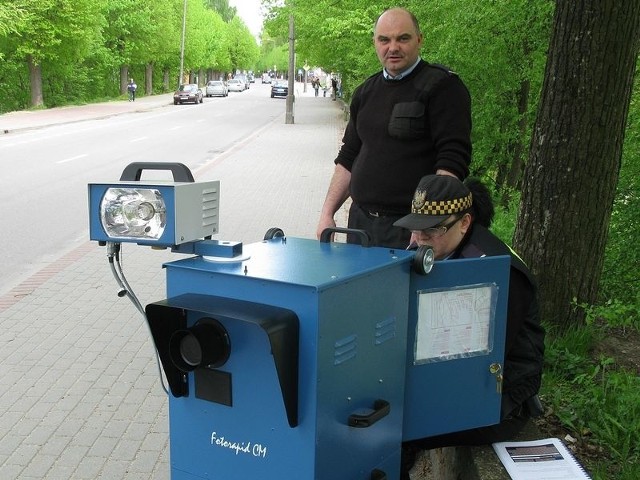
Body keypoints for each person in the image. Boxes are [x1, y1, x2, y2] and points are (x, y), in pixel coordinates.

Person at [393, 174, 545, 479]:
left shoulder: (499, 272)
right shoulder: (435, 246)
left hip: (501, 400)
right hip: (453, 378)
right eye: (416, 227)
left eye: (432, 230)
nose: (419, 239)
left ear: (464, 222)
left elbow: (483, 360)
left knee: (394, 435)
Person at [316, 7, 472, 249]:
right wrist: (327, 214)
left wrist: (426, 225)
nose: (393, 47)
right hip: (360, 227)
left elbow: (452, 162)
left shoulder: (444, 88)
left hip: (411, 231)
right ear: (375, 43)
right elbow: (348, 157)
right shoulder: (365, 92)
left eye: (403, 38)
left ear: (419, 39)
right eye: (384, 40)